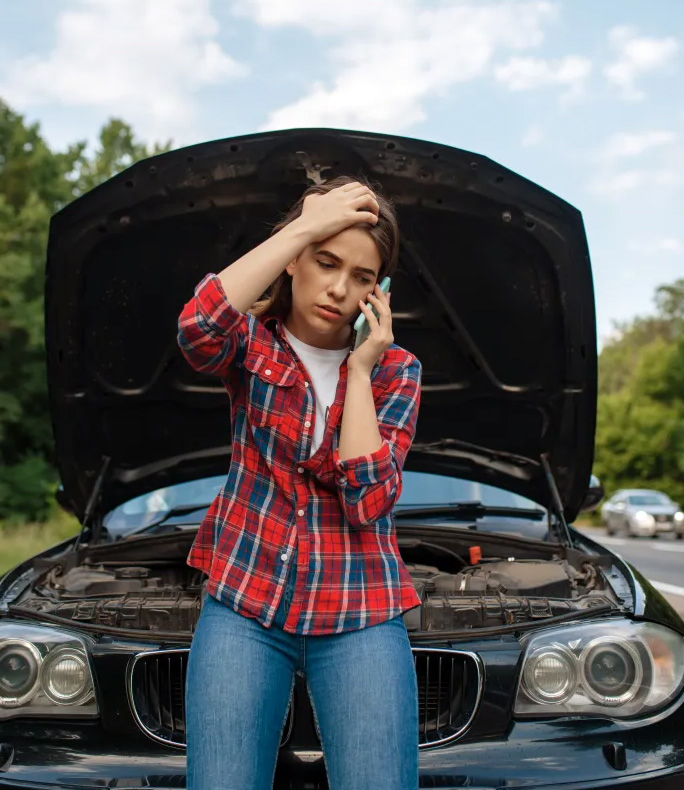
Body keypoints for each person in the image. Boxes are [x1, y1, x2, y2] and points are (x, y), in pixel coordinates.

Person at [177, 175, 422, 790]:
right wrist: (305, 224)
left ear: (379, 289)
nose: (339, 288)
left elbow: (370, 502)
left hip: (361, 603)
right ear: (295, 260)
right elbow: (196, 330)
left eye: (362, 276)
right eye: (325, 260)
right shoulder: (251, 341)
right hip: (245, 598)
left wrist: (360, 373)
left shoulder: (397, 370)